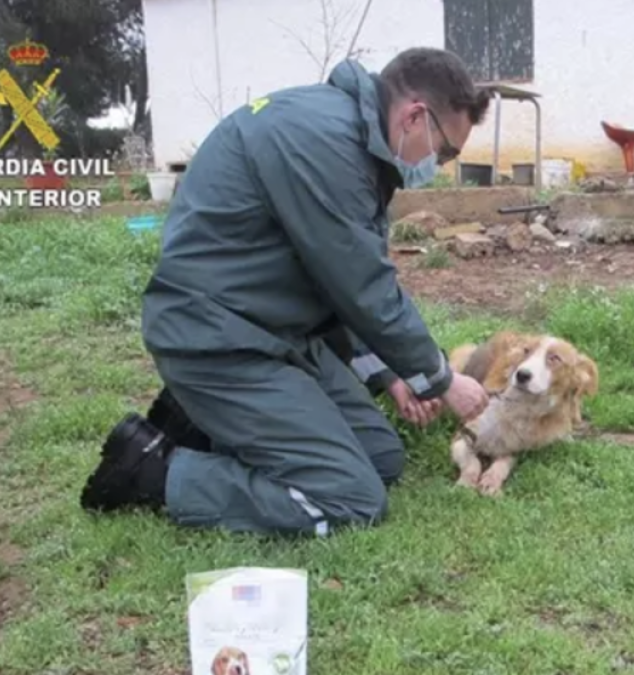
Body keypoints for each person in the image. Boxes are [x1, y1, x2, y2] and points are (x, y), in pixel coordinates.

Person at [79, 47, 493, 537]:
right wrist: (440, 379)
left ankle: (207, 426)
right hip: (219, 339)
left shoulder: (347, 138)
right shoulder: (323, 145)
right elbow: (363, 287)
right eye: (444, 151)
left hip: (275, 332)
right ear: (415, 116)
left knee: (380, 456)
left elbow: (333, 277)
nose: (439, 164)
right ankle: (153, 470)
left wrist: (390, 371)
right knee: (351, 498)